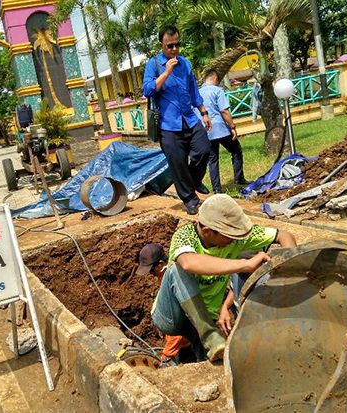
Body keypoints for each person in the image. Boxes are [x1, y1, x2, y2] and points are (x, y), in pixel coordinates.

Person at [151, 194, 297, 362]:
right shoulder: (184, 235)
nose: (235, 240)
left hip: (205, 318)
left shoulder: (235, 239)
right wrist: (244, 264)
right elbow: (188, 262)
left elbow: (284, 236)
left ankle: (206, 344)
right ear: (207, 231)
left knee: (215, 366)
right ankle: (210, 336)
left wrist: (290, 270)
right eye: (229, 236)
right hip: (171, 316)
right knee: (176, 269)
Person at [142, 25, 212, 215]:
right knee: (177, 162)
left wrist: (204, 112)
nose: (174, 49)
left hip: (189, 119)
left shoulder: (185, 63)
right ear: (162, 45)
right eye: (169, 46)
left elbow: (194, 92)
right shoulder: (153, 64)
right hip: (168, 125)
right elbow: (147, 90)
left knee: (204, 150)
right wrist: (166, 73)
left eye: (176, 45)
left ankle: (194, 180)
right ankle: (190, 199)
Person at [136, 243, 192, 365]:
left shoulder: (178, 277)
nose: (150, 273)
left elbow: (182, 321)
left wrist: (167, 355)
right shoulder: (165, 275)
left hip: (183, 333)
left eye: (152, 270)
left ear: (161, 264)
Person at [198, 69, 249, 194]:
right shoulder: (217, 91)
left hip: (206, 131)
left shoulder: (198, 93)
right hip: (221, 130)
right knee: (236, 151)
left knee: (213, 160)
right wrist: (232, 126)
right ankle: (239, 178)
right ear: (215, 79)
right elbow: (224, 111)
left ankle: (217, 189)